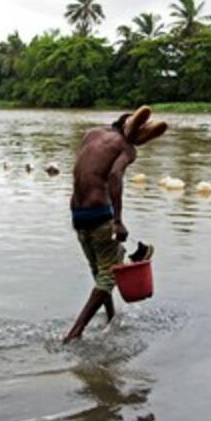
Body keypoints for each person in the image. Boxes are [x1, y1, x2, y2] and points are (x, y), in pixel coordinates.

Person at [63, 111, 155, 343]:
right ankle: (75, 333)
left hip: (77, 214)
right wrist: (118, 220)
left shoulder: (92, 133)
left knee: (100, 272)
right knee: (108, 277)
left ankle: (111, 318)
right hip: (100, 214)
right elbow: (115, 176)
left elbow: (81, 168)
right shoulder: (127, 148)